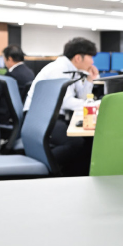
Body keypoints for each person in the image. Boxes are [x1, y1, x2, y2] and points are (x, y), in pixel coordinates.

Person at [24, 38, 99, 176]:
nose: (92, 62)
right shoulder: (59, 69)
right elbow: (66, 101)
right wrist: (95, 104)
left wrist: (90, 80)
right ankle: (43, 168)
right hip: (40, 118)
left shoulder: (72, 70)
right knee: (76, 143)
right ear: (78, 57)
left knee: (88, 141)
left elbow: (82, 98)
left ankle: (78, 176)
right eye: (91, 57)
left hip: (50, 115)